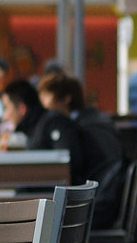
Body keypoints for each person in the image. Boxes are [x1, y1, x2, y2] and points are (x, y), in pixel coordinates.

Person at [37, 73, 127, 227]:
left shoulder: (78, 129)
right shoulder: (94, 121)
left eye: (47, 98)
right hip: (111, 197)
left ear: (66, 99)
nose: (44, 105)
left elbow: (73, 166)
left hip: (98, 202)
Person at [0, 78, 53, 150]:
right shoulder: (35, 129)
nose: (5, 117)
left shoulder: (47, 128)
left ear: (22, 109)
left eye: (6, 108)